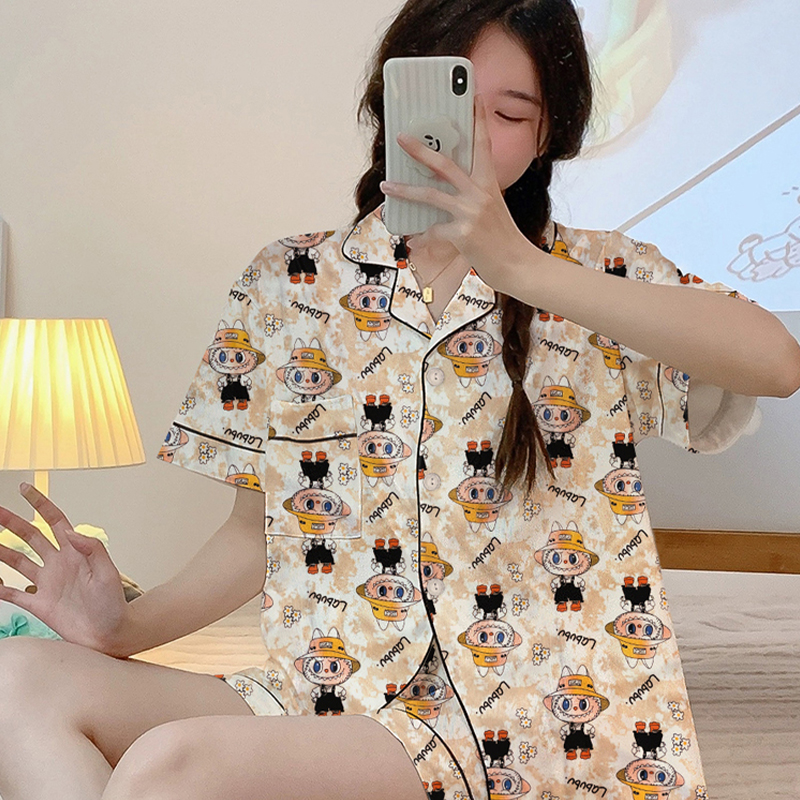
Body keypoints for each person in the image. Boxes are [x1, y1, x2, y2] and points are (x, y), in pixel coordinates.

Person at [0, 1, 798, 799]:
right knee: (17, 680)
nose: (472, 139)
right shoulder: (289, 281)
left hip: (525, 720)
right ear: (394, 104)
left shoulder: (602, 278)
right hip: (325, 694)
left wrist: (521, 269)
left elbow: (776, 362)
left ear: (547, 133)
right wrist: (125, 628)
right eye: (451, 103)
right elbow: (256, 533)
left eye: (509, 113)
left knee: (171, 768)